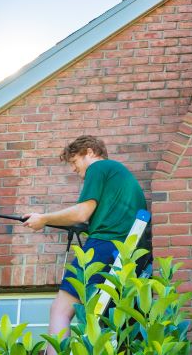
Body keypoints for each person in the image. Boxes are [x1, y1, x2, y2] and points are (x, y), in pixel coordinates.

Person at [23, 135, 148, 354]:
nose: (74, 169)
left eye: (74, 161)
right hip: (126, 257)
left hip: (102, 247)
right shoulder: (121, 178)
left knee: (60, 310)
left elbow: (81, 213)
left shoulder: (99, 168)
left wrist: (43, 218)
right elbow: (107, 218)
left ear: (89, 152)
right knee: (110, 322)